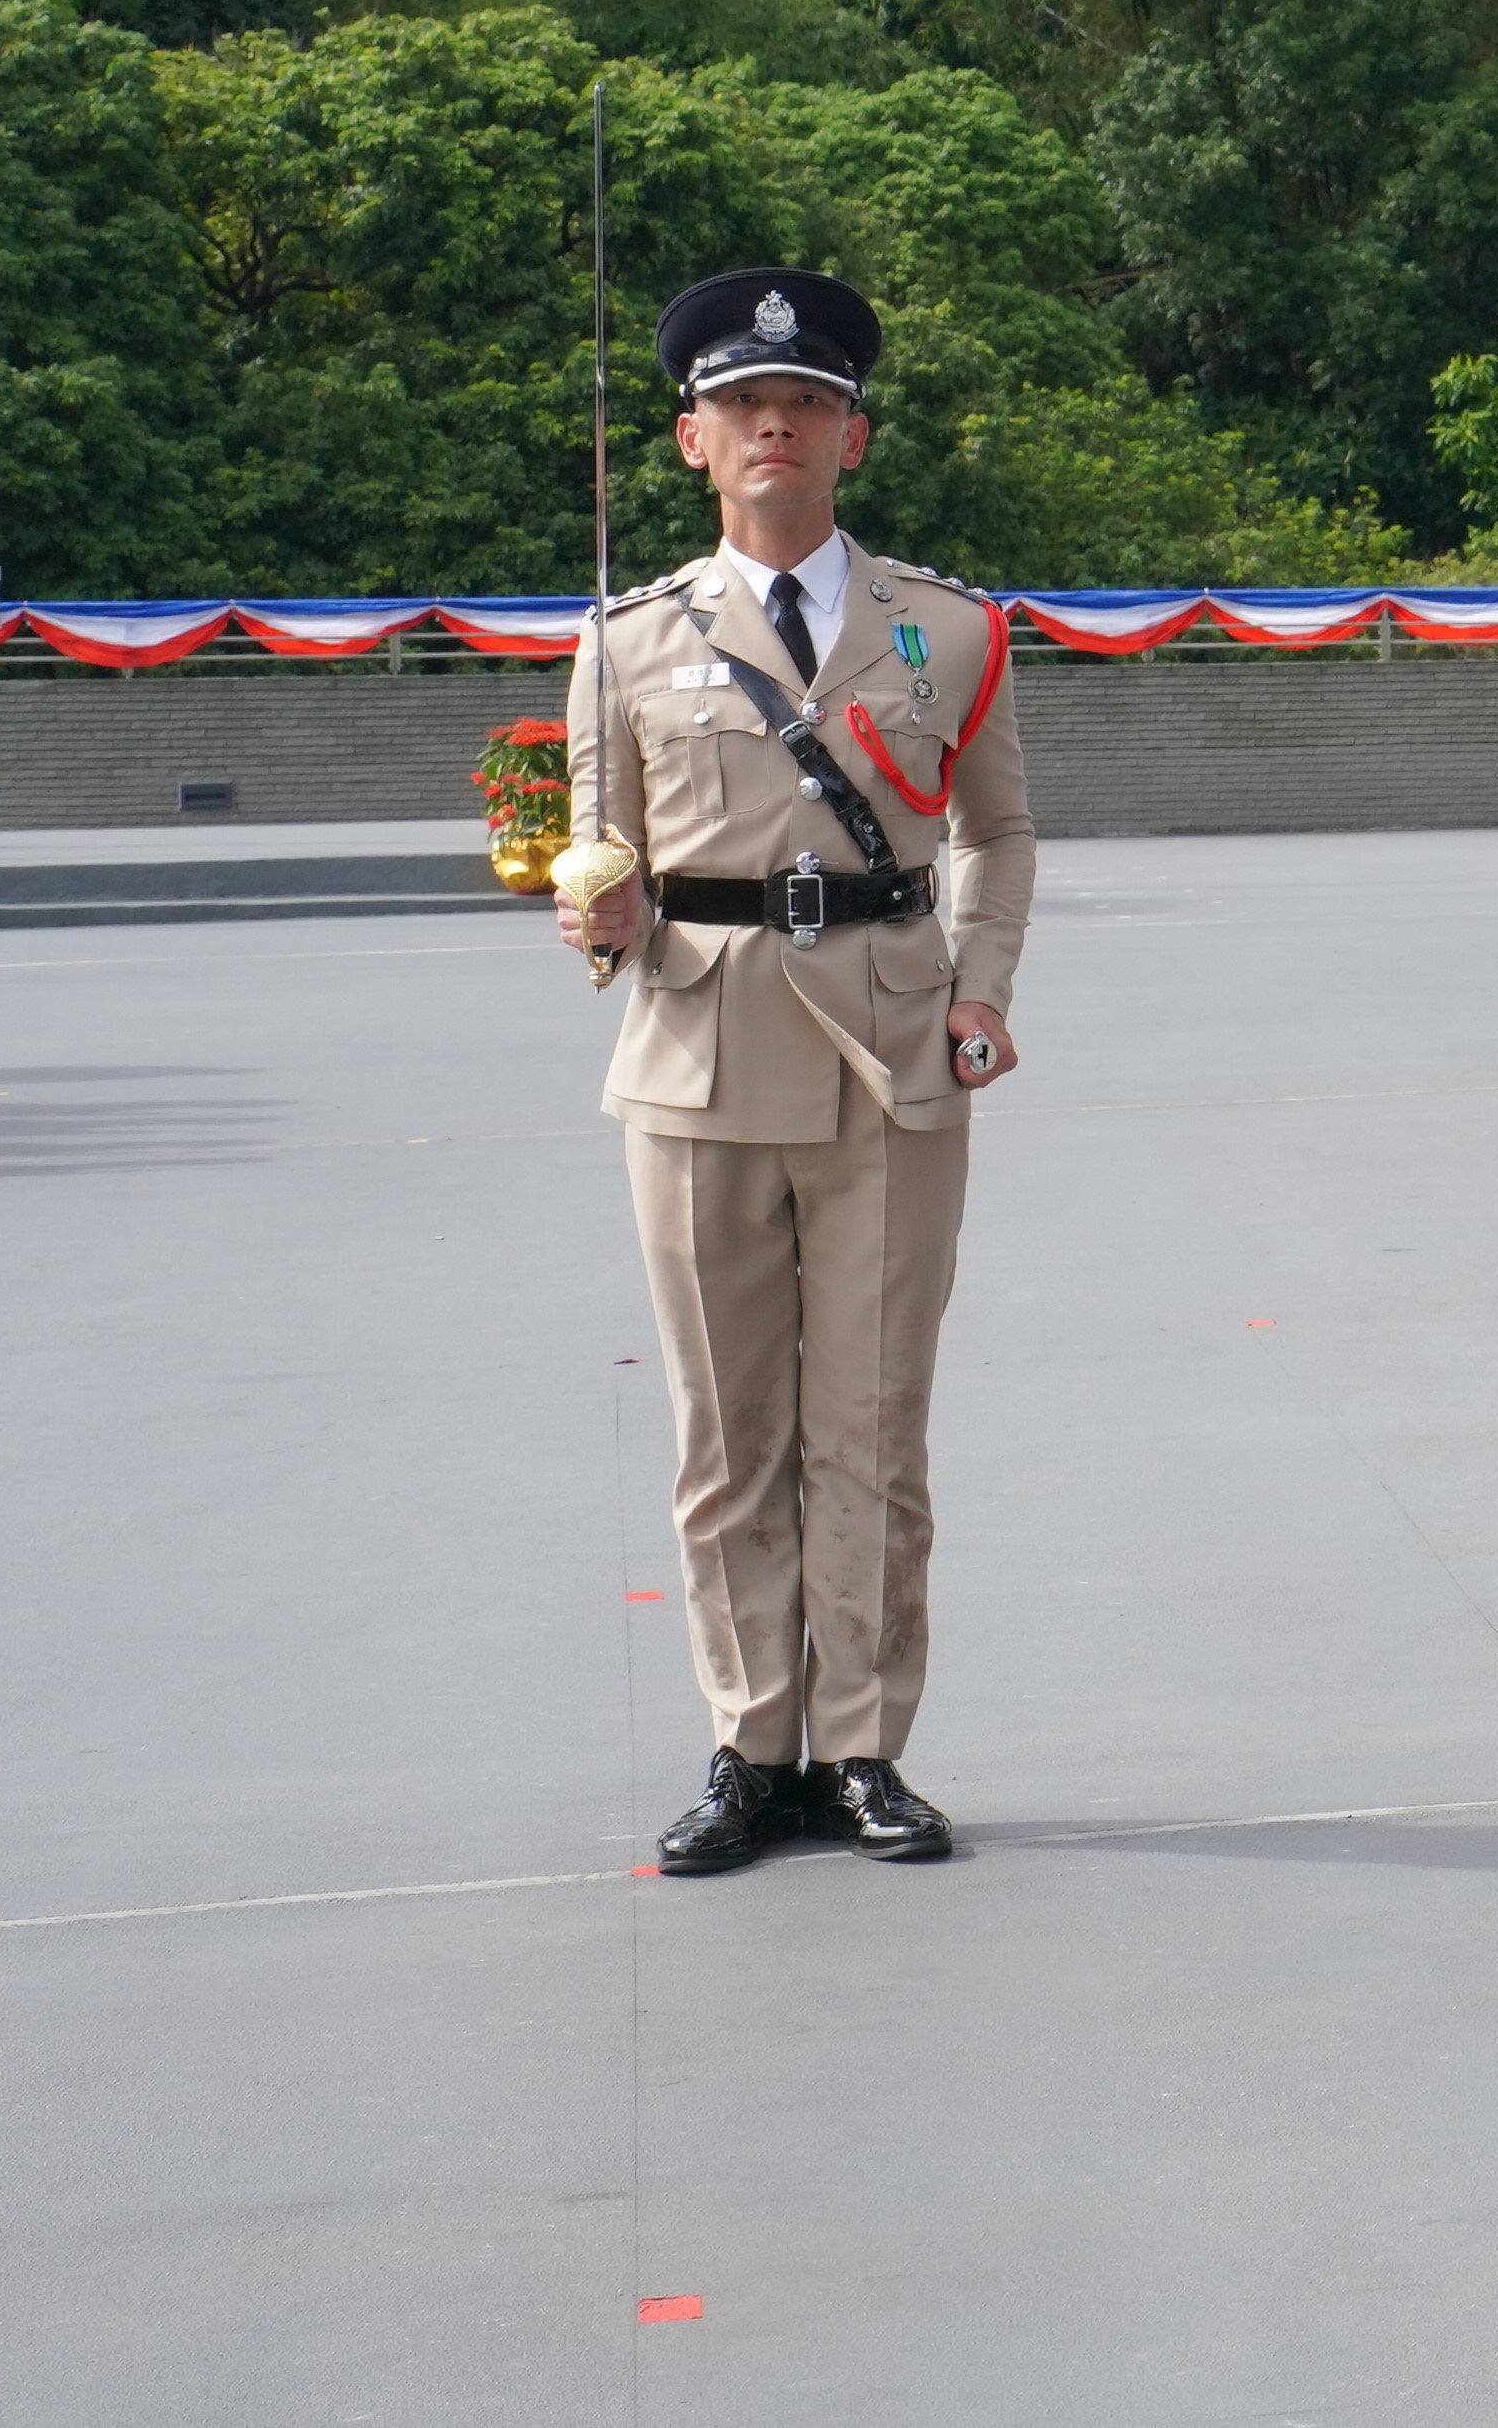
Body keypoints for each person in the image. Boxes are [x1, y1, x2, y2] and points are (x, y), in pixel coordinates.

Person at [554, 268, 1030, 1879]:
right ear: (695, 439)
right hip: (694, 1052)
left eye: (807, 403)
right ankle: (751, 1743)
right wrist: (590, 910)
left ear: (853, 434)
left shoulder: (945, 626)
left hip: (895, 1053)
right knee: (726, 1428)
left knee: (875, 1424)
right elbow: (591, 843)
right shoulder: (622, 641)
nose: (777, 424)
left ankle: (863, 1750)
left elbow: (998, 826)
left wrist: (983, 984)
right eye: (744, 405)